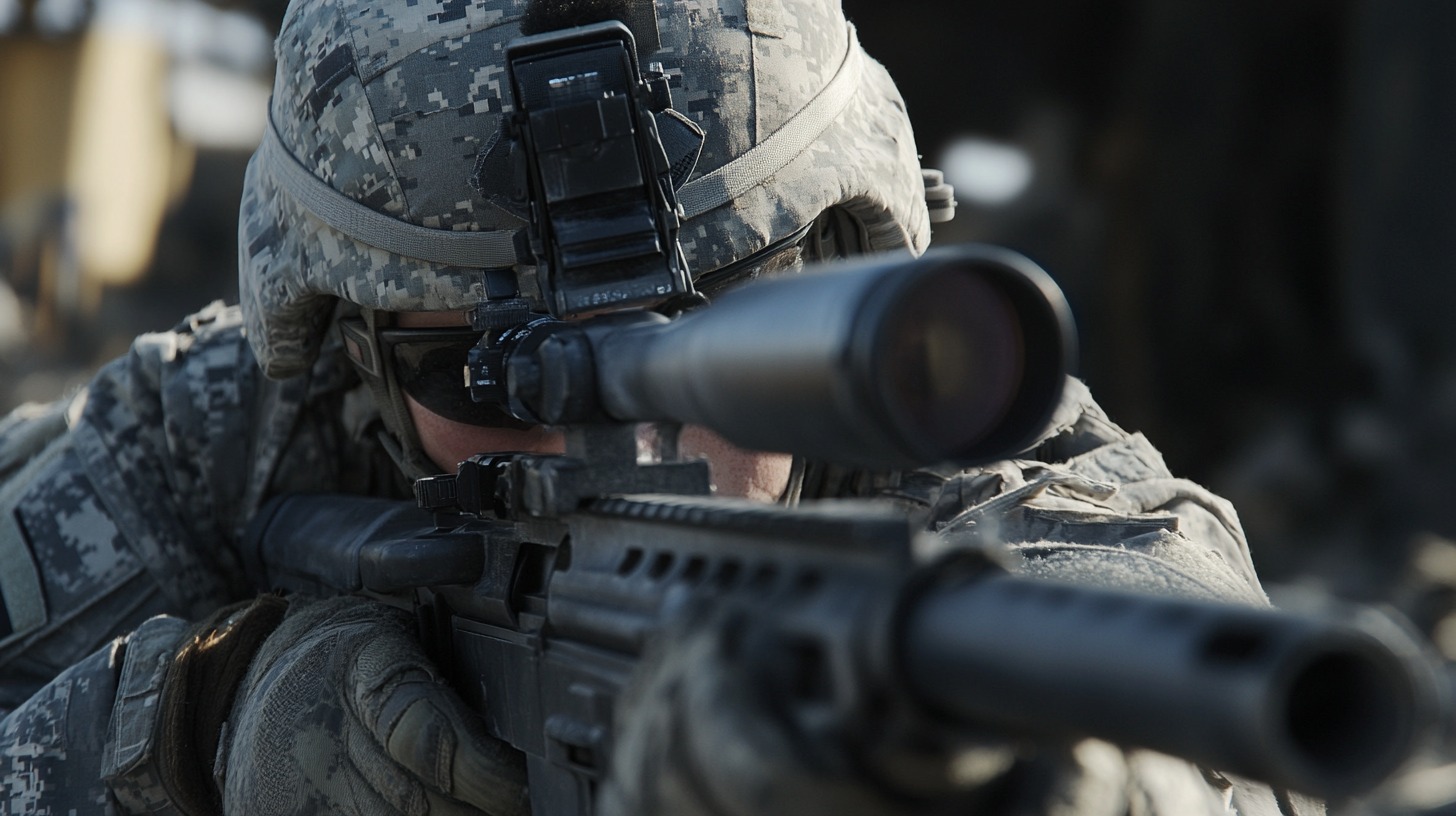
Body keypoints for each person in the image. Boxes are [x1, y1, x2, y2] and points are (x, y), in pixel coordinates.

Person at [0, 0, 1318, 813]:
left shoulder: (982, 469)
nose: (628, 441)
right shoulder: (223, 437)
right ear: (345, 338)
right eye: (482, 371)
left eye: (731, 348)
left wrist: (1000, 789)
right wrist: (192, 731)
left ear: (848, 274)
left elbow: (1219, 753)